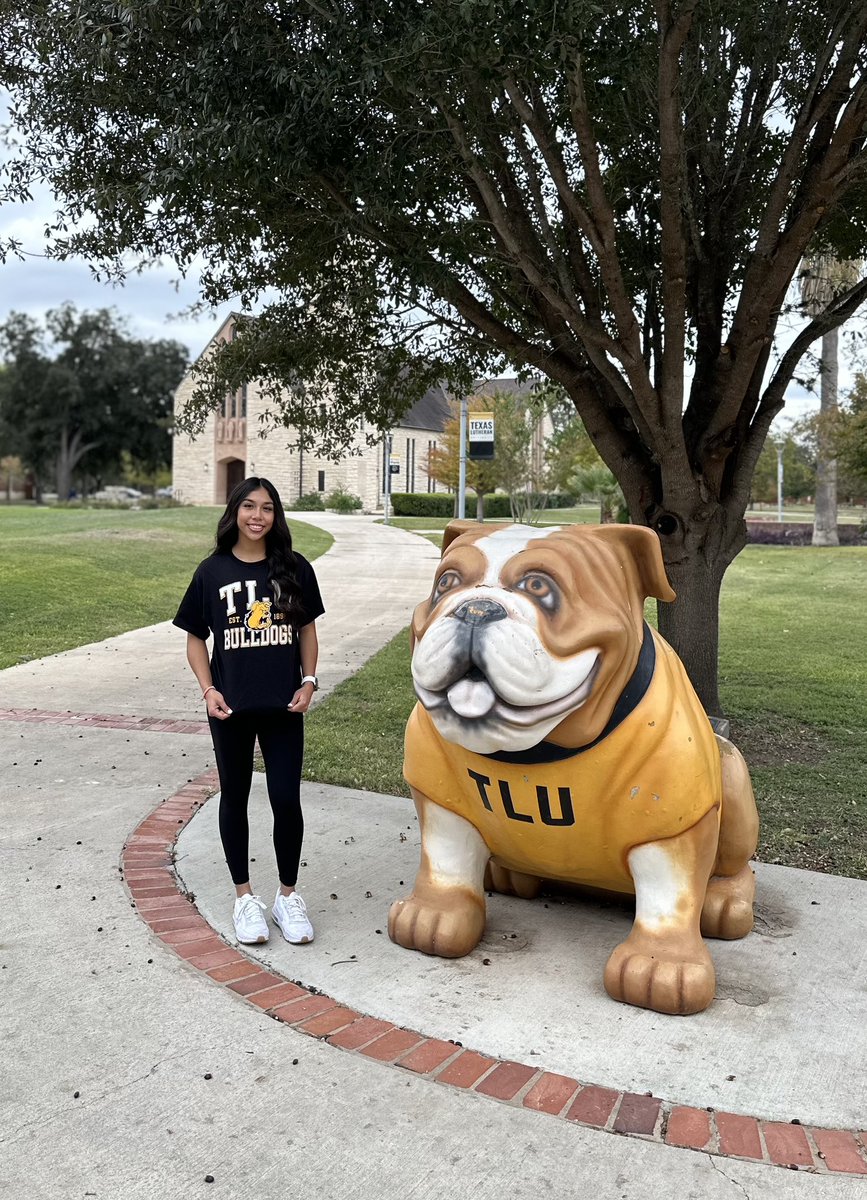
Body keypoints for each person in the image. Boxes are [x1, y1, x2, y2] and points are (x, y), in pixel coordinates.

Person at [173, 477, 324, 946]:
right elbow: (195, 638)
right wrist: (208, 689)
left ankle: (287, 897)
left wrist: (309, 680)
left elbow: (307, 631)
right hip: (230, 709)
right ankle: (244, 898)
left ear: (276, 516)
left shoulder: (294, 567)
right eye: (249, 507)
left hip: (284, 706)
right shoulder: (211, 571)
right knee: (234, 797)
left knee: (286, 799)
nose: (258, 516)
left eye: (267, 508)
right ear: (234, 511)